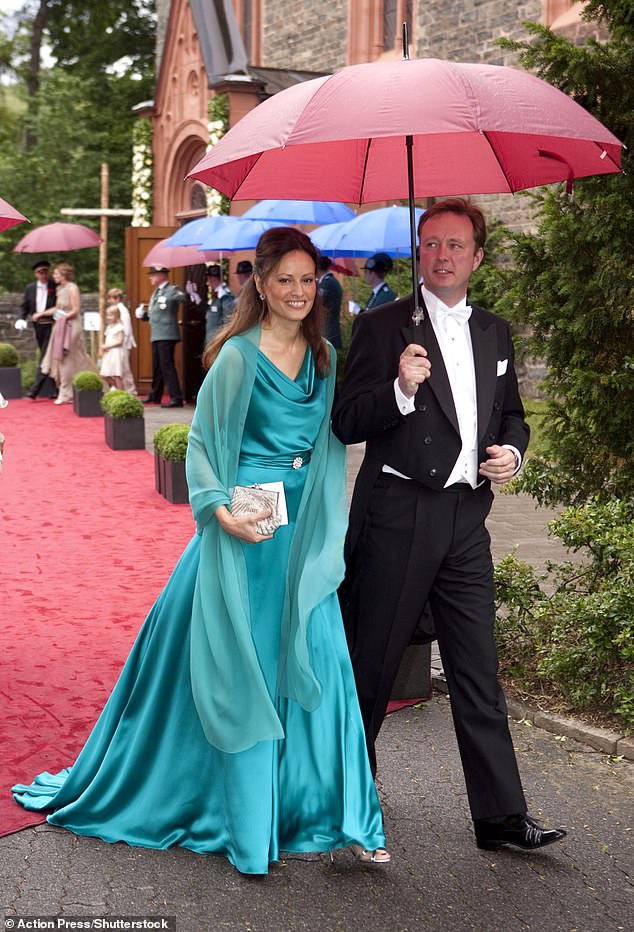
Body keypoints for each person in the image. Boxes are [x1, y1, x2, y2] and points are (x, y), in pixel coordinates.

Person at [13, 226, 389, 875]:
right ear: (261, 286)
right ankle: (239, 818)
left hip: (299, 534)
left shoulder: (326, 354)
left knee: (317, 658)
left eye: (307, 280)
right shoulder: (239, 357)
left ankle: (345, 811)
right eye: (285, 280)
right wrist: (221, 513)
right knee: (237, 666)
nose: (298, 292)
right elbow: (209, 450)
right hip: (245, 525)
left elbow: (333, 442)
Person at [332, 198, 566, 853]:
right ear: (419, 252)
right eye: (431, 243)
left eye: (456, 245)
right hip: (397, 518)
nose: (442, 255)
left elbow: (514, 413)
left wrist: (511, 452)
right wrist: (400, 390)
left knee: (477, 670)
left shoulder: (493, 331)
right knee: (370, 670)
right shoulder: (383, 329)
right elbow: (346, 421)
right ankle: (350, 801)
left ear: (478, 256)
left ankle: (498, 817)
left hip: (467, 521)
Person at [40, 262, 96, 404]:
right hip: (60, 325)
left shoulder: (73, 288)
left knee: (68, 357)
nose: (54, 276)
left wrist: (63, 317)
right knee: (59, 357)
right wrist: (41, 314)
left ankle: (67, 393)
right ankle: (64, 390)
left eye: (56, 274)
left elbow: (76, 310)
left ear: (64, 275)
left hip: (71, 325)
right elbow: (57, 308)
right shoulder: (59, 289)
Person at [138, 265, 185, 409]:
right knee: (157, 366)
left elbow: (183, 298)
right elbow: (155, 314)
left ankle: (176, 397)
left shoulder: (172, 290)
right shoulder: (156, 293)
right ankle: (155, 394)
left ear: (162, 275)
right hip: (157, 334)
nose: (150, 277)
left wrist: (188, 293)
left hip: (167, 334)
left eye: (153, 275)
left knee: (167, 365)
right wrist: (143, 315)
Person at [15, 259, 57, 399]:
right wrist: (21, 318)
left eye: (45, 271)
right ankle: (54, 389)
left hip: (51, 325)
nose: (43, 274)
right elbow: (24, 306)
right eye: (40, 272)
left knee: (45, 355)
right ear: (36, 274)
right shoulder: (30, 288)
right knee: (47, 355)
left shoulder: (55, 286)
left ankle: (35, 389)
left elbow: (59, 307)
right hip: (37, 325)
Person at [106, 288, 137, 394]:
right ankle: (122, 388)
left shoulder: (122, 311)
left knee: (124, 369)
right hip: (115, 345)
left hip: (122, 344)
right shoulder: (115, 310)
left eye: (111, 298)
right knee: (117, 369)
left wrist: (122, 343)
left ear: (118, 298)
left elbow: (126, 329)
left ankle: (130, 390)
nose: (109, 301)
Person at [204, 264, 235, 345]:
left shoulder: (225, 295)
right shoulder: (217, 294)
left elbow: (228, 318)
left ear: (212, 279)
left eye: (209, 278)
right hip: (212, 339)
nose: (208, 281)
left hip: (218, 340)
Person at [317, 255, 343, 349]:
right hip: (327, 331)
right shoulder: (327, 282)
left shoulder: (328, 283)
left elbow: (317, 303)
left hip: (328, 332)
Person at [99, 305, 125, 391]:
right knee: (105, 375)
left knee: (116, 374)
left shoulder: (119, 327)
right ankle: (118, 389)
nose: (108, 317)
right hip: (109, 353)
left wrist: (108, 346)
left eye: (111, 315)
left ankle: (121, 392)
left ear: (117, 316)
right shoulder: (109, 327)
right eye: (107, 315)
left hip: (116, 353)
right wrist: (104, 347)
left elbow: (120, 341)